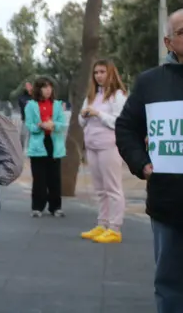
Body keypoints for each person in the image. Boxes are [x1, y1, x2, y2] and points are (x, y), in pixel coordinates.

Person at [116, 8, 183, 313]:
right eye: (182, 33)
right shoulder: (151, 83)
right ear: (169, 43)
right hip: (169, 201)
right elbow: (126, 127)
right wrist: (141, 164)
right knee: (170, 284)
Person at [77, 59, 127, 243]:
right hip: (92, 145)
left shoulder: (118, 95)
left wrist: (99, 114)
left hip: (109, 145)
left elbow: (120, 121)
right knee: (99, 189)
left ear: (110, 73)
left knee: (113, 187)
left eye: (102, 72)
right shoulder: (92, 96)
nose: (98, 76)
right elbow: (81, 121)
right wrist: (84, 115)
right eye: (96, 72)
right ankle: (102, 223)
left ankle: (115, 228)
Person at [24, 77, 68, 218]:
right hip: (38, 145)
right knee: (39, 177)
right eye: (44, 87)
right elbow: (29, 125)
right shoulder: (31, 106)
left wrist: (53, 125)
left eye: (50, 87)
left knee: (54, 177)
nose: (48, 90)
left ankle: (55, 207)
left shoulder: (57, 105)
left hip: (54, 143)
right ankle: (37, 207)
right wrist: (40, 126)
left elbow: (62, 123)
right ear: (38, 89)